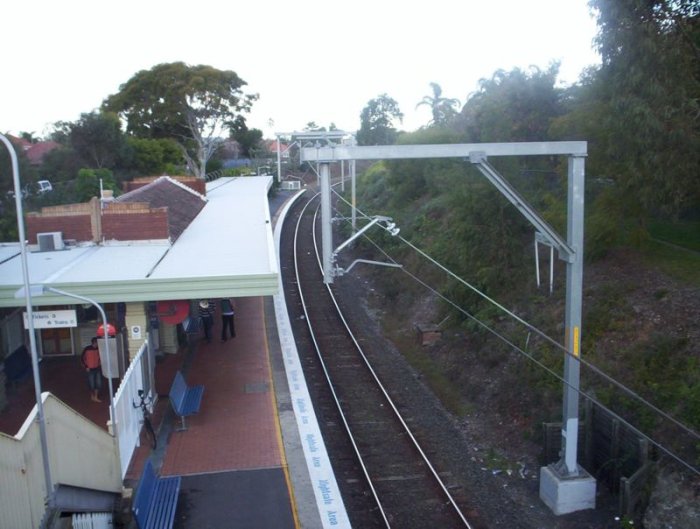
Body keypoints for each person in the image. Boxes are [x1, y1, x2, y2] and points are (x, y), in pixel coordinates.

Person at [81, 337, 102, 402]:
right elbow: (82, 358)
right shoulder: (87, 349)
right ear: (94, 342)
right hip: (90, 369)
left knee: (98, 383)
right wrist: (86, 366)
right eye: (96, 343)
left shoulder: (99, 349)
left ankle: (95, 397)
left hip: (97, 368)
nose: (97, 344)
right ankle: (92, 396)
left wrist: (100, 363)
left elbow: (100, 357)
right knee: (91, 383)